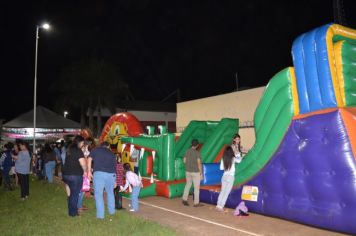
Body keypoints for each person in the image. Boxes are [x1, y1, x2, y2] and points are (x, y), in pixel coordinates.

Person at [87, 141, 116, 219]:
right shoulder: (111, 153)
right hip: (111, 175)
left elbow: (89, 159)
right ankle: (112, 211)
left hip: (99, 174)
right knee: (110, 193)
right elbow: (114, 167)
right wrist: (115, 180)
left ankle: (100, 215)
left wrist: (89, 171)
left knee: (99, 194)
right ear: (108, 146)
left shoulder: (96, 150)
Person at [62, 135, 87, 217]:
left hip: (66, 174)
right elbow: (83, 163)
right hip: (75, 175)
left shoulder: (68, 150)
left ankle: (71, 209)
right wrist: (85, 171)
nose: (83, 144)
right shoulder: (78, 151)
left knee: (71, 194)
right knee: (75, 194)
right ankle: (73, 213)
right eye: (83, 143)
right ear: (79, 142)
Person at [182, 139, 203, 207]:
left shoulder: (187, 151)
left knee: (188, 185)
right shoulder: (197, 153)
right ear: (197, 145)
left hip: (188, 171)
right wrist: (201, 173)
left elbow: (184, 161)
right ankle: (196, 203)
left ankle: (184, 199)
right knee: (196, 188)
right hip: (195, 172)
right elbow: (199, 164)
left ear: (191, 144)